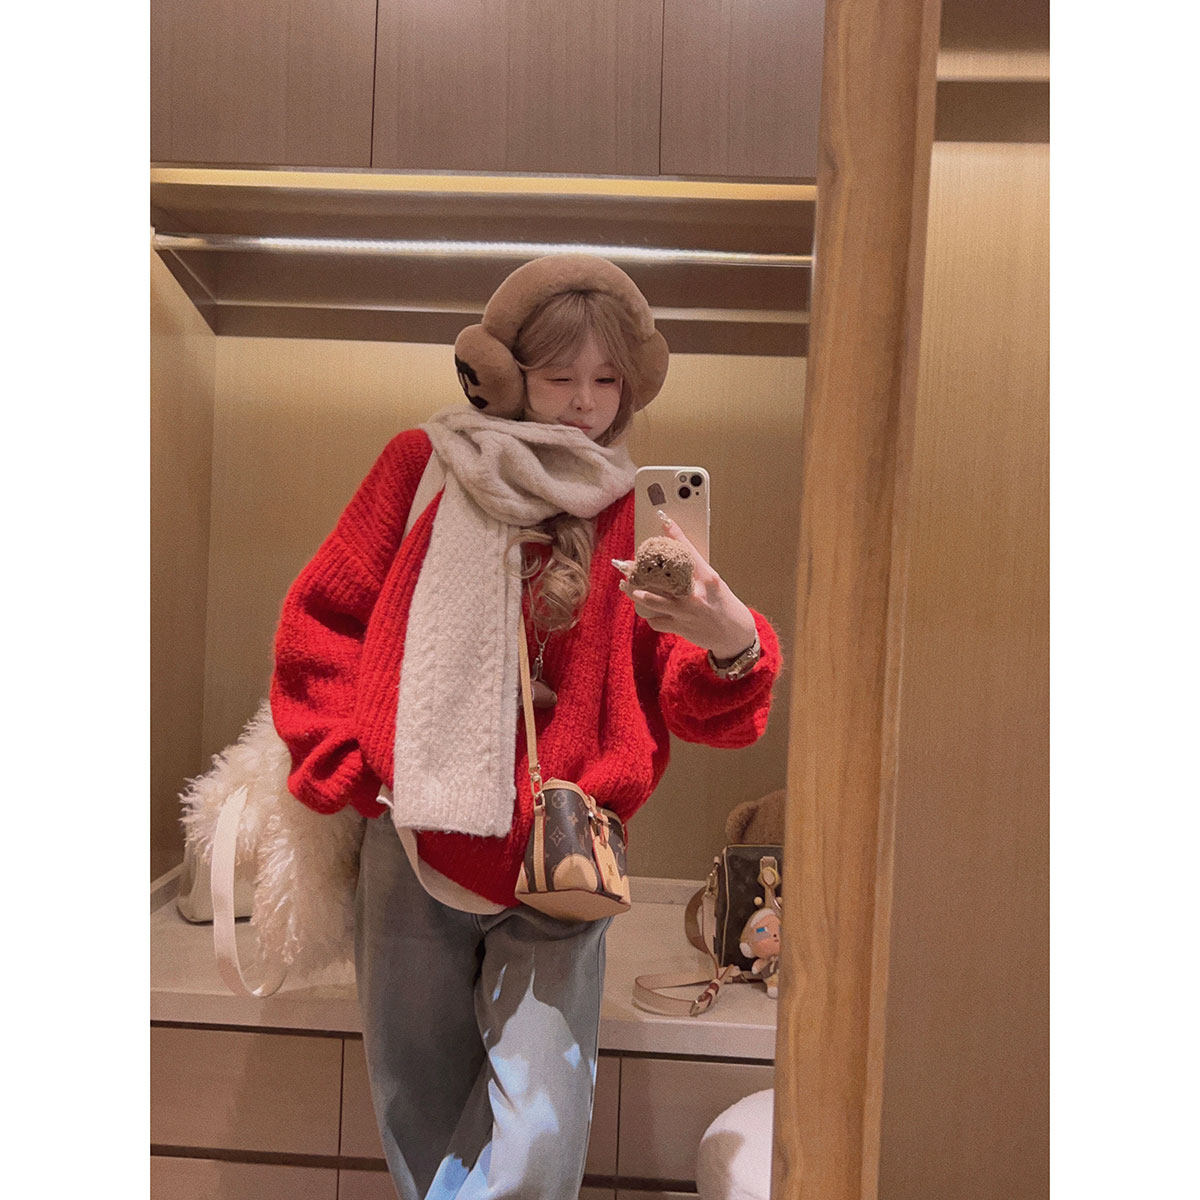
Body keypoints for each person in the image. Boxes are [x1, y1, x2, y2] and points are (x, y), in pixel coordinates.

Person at [269, 254, 782, 1199]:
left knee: (541, 1137)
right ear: (502, 374)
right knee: (417, 1109)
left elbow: (692, 697)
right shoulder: (422, 467)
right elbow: (326, 614)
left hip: (566, 855)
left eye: (607, 379)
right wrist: (352, 762)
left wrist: (729, 641)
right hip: (417, 836)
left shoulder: (636, 511)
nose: (584, 403)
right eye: (559, 376)